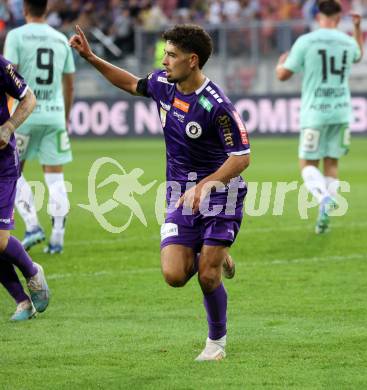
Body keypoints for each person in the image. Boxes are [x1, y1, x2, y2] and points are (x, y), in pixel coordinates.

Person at [70, 24, 250, 361]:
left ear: (192, 60)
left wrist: (205, 185)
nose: (164, 60)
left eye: (171, 55)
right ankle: (215, 250)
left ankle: (216, 344)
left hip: (221, 193)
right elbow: (130, 83)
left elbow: (241, 158)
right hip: (180, 194)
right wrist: (91, 57)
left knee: (208, 276)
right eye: (165, 53)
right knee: (174, 275)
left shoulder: (217, 106)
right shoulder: (164, 84)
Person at [276, 0, 363, 234]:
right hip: (342, 110)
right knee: (332, 162)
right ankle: (324, 217)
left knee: (307, 163)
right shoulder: (346, 40)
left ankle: (324, 199)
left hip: (315, 112)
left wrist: (279, 65)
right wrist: (357, 28)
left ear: (318, 17)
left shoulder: (306, 41)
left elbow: (283, 76)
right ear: (338, 18)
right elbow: (357, 56)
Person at [4, 0, 76, 253]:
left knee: (12, 172)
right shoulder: (60, 38)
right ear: (46, 10)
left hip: (24, 115)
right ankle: (57, 239)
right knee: (55, 178)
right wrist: (65, 117)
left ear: (24, 10)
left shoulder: (16, 35)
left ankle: (33, 225)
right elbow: (69, 83)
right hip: (55, 116)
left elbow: (8, 74)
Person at [0, 54, 50, 321]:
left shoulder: (0, 65)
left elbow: (28, 98)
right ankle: (22, 301)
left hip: (2, 164)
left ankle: (31, 272)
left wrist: (9, 126)